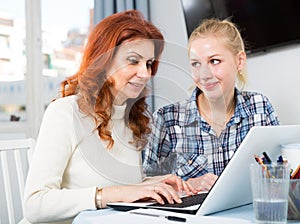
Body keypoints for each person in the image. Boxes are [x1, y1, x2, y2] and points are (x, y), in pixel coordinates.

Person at [22, 10, 195, 224]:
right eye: (133, 61)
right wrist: (113, 195)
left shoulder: (129, 118)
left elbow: (117, 185)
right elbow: (35, 204)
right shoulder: (64, 113)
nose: (145, 73)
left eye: (149, 63)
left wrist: (156, 183)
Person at [143, 18, 279, 192]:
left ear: (239, 61)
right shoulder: (167, 119)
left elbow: (278, 175)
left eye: (214, 61)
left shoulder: (260, 107)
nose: (204, 75)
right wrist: (188, 186)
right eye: (196, 64)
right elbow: (150, 187)